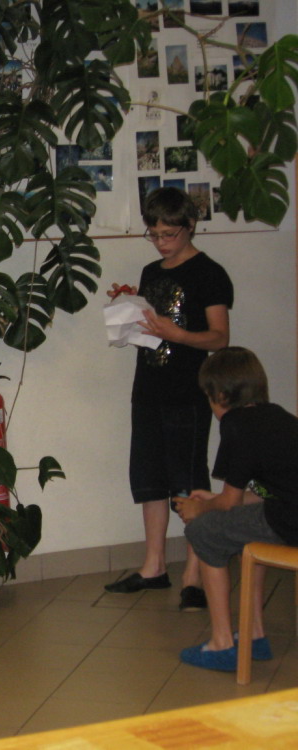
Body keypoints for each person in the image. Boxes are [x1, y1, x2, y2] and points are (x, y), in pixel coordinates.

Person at [104, 187, 233, 610]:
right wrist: (127, 310)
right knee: (150, 480)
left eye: (169, 234)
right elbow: (151, 327)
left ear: (190, 225)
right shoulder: (151, 271)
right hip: (148, 389)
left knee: (189, 481)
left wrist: (179, 335)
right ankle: (154, 567)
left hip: (188, 392)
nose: (161, 242)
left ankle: (194, 576)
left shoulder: (209, 273)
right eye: (154, 234)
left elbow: (219, 337)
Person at [176, 347, 298, 671]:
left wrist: (200, 509)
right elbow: (261, 495)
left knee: (203, 531)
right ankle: (253, 636)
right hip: (288, 513)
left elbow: (229, 502)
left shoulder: (236, 424)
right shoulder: (276, 415)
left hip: (289, 521)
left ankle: (222, 644)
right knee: (243, 529)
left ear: (220, 395)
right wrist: (211, 500)